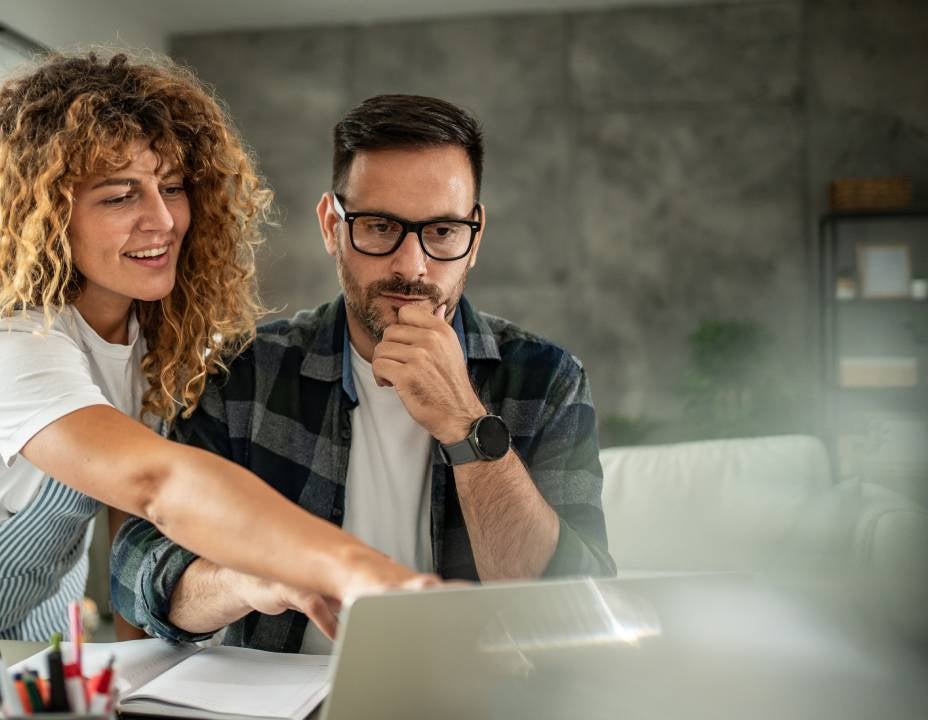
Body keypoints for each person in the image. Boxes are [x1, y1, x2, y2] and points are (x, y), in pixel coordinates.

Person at [0, 55, 438, 642]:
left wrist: (141, 678)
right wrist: (354, 567)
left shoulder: (155, 337)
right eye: (119, 197)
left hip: (43, 610)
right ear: (46, 218)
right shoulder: (9, 347)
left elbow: (134, 524)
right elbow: (157, 483)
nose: (164, 220)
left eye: (171, 187)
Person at [112, 94, 616, 653]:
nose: (412, 266)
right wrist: (246, 578)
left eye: (443, 232)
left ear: (475, 236)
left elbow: (575, 610)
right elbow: (134, 569)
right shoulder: (246, 374)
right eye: (379, 227)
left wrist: (468, 425)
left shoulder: (546, 381)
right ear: (332, 226)